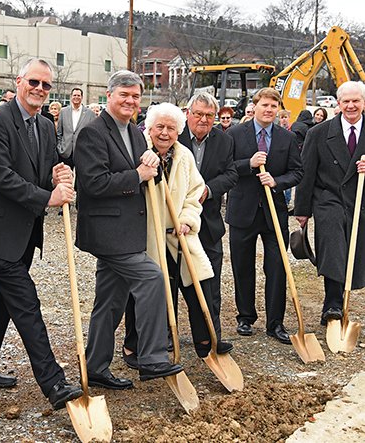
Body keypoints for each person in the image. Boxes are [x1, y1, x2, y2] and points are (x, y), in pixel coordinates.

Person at [0, 58, 82, 410]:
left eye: (46, 86)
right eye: (34, 82)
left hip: (24, 231)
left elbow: (40, 170)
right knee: (26, 303)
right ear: (19, 81)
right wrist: (49, 198)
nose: (40, 90)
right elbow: (1, 177)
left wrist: (57, 175)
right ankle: (54, 382)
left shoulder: (46, 126)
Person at [74, 70, 183, 390]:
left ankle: (95, 367)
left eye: (135, 96)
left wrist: (155, 161)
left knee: (110, 302)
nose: (130, 101)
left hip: (128, 231)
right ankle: (150, 357)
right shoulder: (92, 133)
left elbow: (148, 175)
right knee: (151, 278)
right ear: (109, 96)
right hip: (107, 232)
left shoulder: (136, 134)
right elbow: (92, 184)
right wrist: (138, 173)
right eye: (124, 94)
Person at [122, 102, 227, 365]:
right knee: (147, 291)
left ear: (179, 131)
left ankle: (206, 341)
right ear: (149, 127)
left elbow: (195, 192)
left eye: (171, 128)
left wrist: (188, 220)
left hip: (181, 235)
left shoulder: (184, 156)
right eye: (160, 127)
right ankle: (134, 346)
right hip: (149, 236)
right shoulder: (138, 151)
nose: (165, 133)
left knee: (199, 284)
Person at [226, 87, 303, 344]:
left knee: (277, 267)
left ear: (278, 109)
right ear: (255, 107)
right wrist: (248, 164)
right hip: (243, 212)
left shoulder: (287, 138)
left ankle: (275, 323)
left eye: (273, 106)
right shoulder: (236, 134)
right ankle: (245, 317)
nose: (269, 110)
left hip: (274, 212)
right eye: (264, 105)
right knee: (243, 266)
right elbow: (226, 169)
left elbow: (297, 172)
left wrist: (277, 181)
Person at [295, 81, 365, 326]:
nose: (351, 105)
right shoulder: (319, 133)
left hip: (360, 202)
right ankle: (333, 305)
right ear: (338, 103)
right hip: (329, 200)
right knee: (333, 252)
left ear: (363, 103)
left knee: (358, 255)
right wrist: (302, 211)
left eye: (356, 100)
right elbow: (307, 173)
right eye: (346, 101)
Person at [178, 92, 238, 353]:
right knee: (169, 282)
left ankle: (210, 338)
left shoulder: (223, 141)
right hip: (176, 222)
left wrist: (208, 189)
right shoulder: (175, 135)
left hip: (208, 223)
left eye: (209, 116)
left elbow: (231, 173)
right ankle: (163, 336)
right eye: (198, 114)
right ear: (188, 113)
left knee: (210, 283)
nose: (203, 120)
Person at [56, 87, 96, 168]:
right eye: (74, 95)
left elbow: (93, 134)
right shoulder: (63, 112)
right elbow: (59, 133)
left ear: (82, 97)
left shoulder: (90, 114)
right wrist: (60, 147)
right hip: (66, 152)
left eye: (78, 95)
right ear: (71, 97)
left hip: (83, 153)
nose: (76, 97)